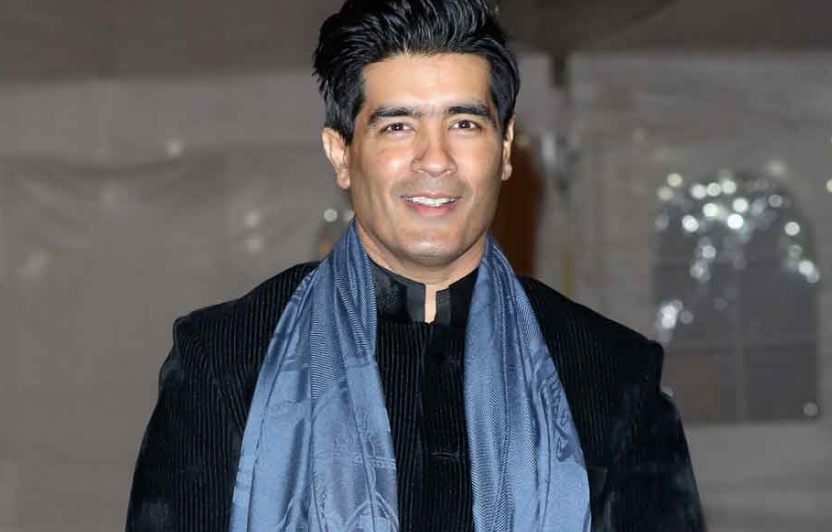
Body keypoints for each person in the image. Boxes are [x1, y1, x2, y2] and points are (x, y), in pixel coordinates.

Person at [126, 0, 705, 531]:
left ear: (505, 150)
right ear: (341, 153)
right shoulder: (225, 360)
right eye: (398, 126)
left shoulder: (613, 372)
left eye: (464, 124)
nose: (435, 160)